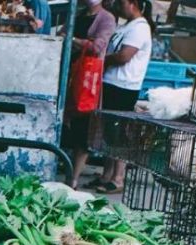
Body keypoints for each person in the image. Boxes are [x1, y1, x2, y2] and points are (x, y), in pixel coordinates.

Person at [93, 0, 154, 194]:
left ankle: (118, 178)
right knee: (109, 133)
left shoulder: (140, 28)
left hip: (124, 86)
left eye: (121, 2)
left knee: (119, 134)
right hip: (112, 83)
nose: (118, 6)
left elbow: (123, 56)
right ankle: (106, 174)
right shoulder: (127, 25)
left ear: (133, 3)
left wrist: (103, 59)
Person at [62, 0, 117, 188]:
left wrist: (73, 40)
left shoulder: (107, 18)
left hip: (87, 79)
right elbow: (61, 33)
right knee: (66, 125)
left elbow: (97, 47)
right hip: (68, 75)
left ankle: (73, 180)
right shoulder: (78, 14)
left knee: (82, 129)